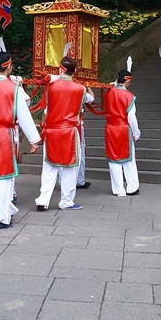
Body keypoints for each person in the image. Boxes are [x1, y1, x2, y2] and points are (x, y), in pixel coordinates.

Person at [0, 51, 41, 228]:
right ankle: (0, 217)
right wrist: (34, 139)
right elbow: (24, 115)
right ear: (9, 67)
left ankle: (7, 208)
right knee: (4, 176)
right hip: (3, 134)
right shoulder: (13, 89)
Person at [35, 56, 94, 210]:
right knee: (70, 168)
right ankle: (66, 201)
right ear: (74, 72)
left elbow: (47, 109)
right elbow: (91, 100)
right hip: (69, 132)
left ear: (61, 69)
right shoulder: (80, 90)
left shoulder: (51, 87)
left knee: (49, 166)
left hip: (52, 131)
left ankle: (43, 199)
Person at [104, 67, 140, 197]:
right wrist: (136, 132)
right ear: (128, 82)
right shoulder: (129, 96)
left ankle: (118, 189)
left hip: (110, 128)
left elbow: (112, 87)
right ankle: (132, 187)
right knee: (129, 159)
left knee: (113, 159)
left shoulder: (108, 92)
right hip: (124, 128)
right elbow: (131, 117)